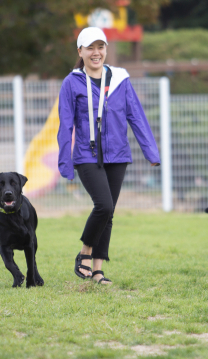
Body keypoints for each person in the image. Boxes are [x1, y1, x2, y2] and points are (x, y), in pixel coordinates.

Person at [57, 27, 160, 285]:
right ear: (80, 51)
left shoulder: (120, 79)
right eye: (90, 48)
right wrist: (65, 161)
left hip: (118, 155)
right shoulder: (71, 82)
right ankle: (84, 254)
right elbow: (65, 125)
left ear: (106, 50)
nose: (96, 52)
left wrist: (151, 151)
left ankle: (99, 270)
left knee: (109, 212)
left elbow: (136, 115)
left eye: (100, 47)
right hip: (86, 154)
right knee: (103, 205)